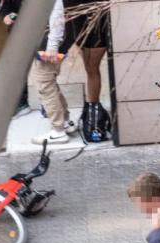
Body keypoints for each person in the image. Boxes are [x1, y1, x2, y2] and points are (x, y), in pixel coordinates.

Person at [27, 0, 79, 144]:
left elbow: (57, 17)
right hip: (56, 44)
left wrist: (52, 47)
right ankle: (65, 121)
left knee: (44, 86)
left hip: (50, 47)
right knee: (50, 84)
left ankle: (58, 131)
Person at [65, 0, 112, 138]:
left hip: (94, 23)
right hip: (81, 23)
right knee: (90, 70)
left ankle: (94, 111)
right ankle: (93, 109)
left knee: (92, 70)